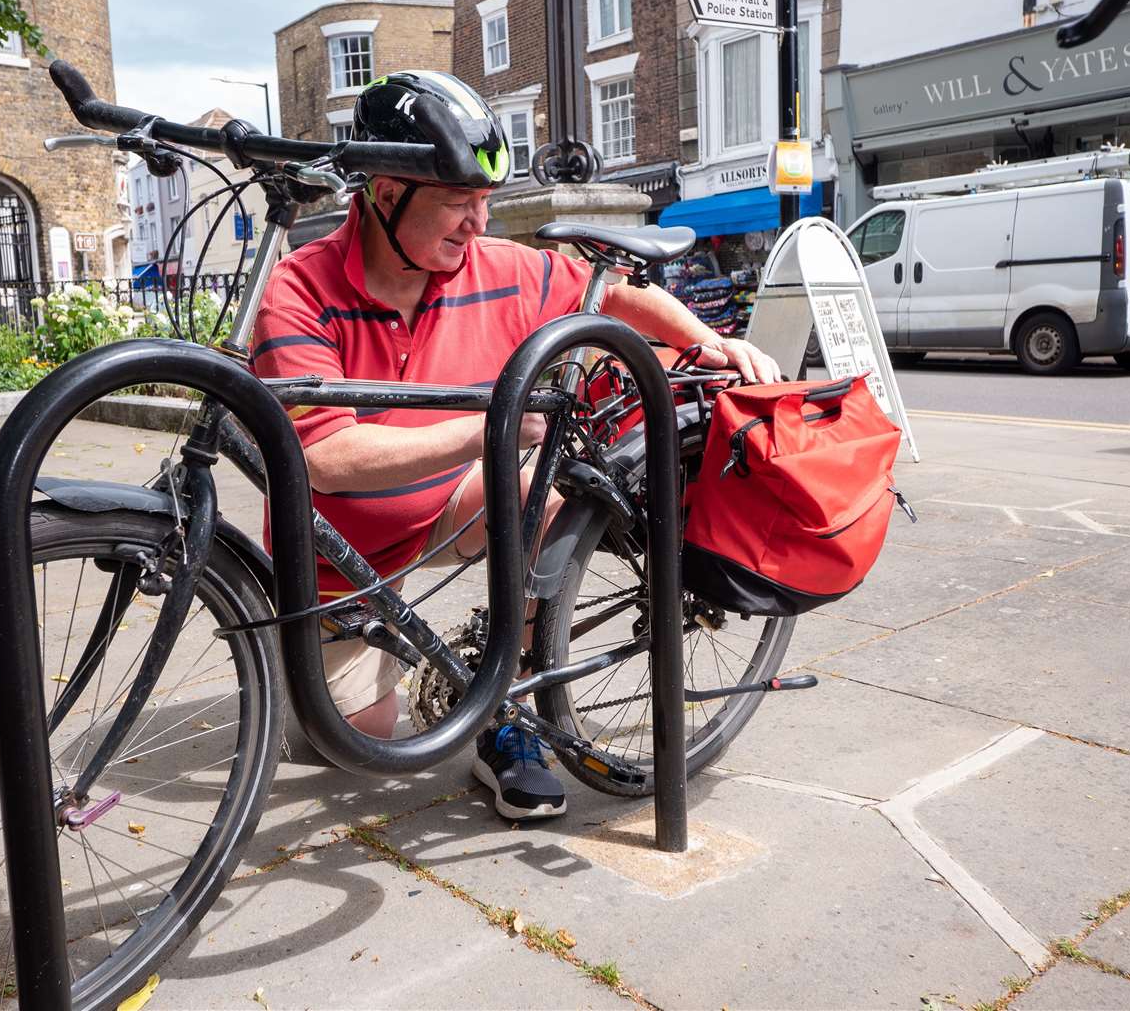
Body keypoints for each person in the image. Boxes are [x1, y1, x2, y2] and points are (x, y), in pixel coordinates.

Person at [251, 71, 780, 821]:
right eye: (458, 203)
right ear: (383, 192)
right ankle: (381, 660)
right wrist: (495, 428)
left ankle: (507, 703)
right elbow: (322, 458)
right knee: (347, 741)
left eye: (486, 203)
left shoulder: (500, 267)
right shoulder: (300, 289)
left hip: (456, 506)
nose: (478, 223)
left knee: (544, 492)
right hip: (338, 549)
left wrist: (710, 341)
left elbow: (620, 290)